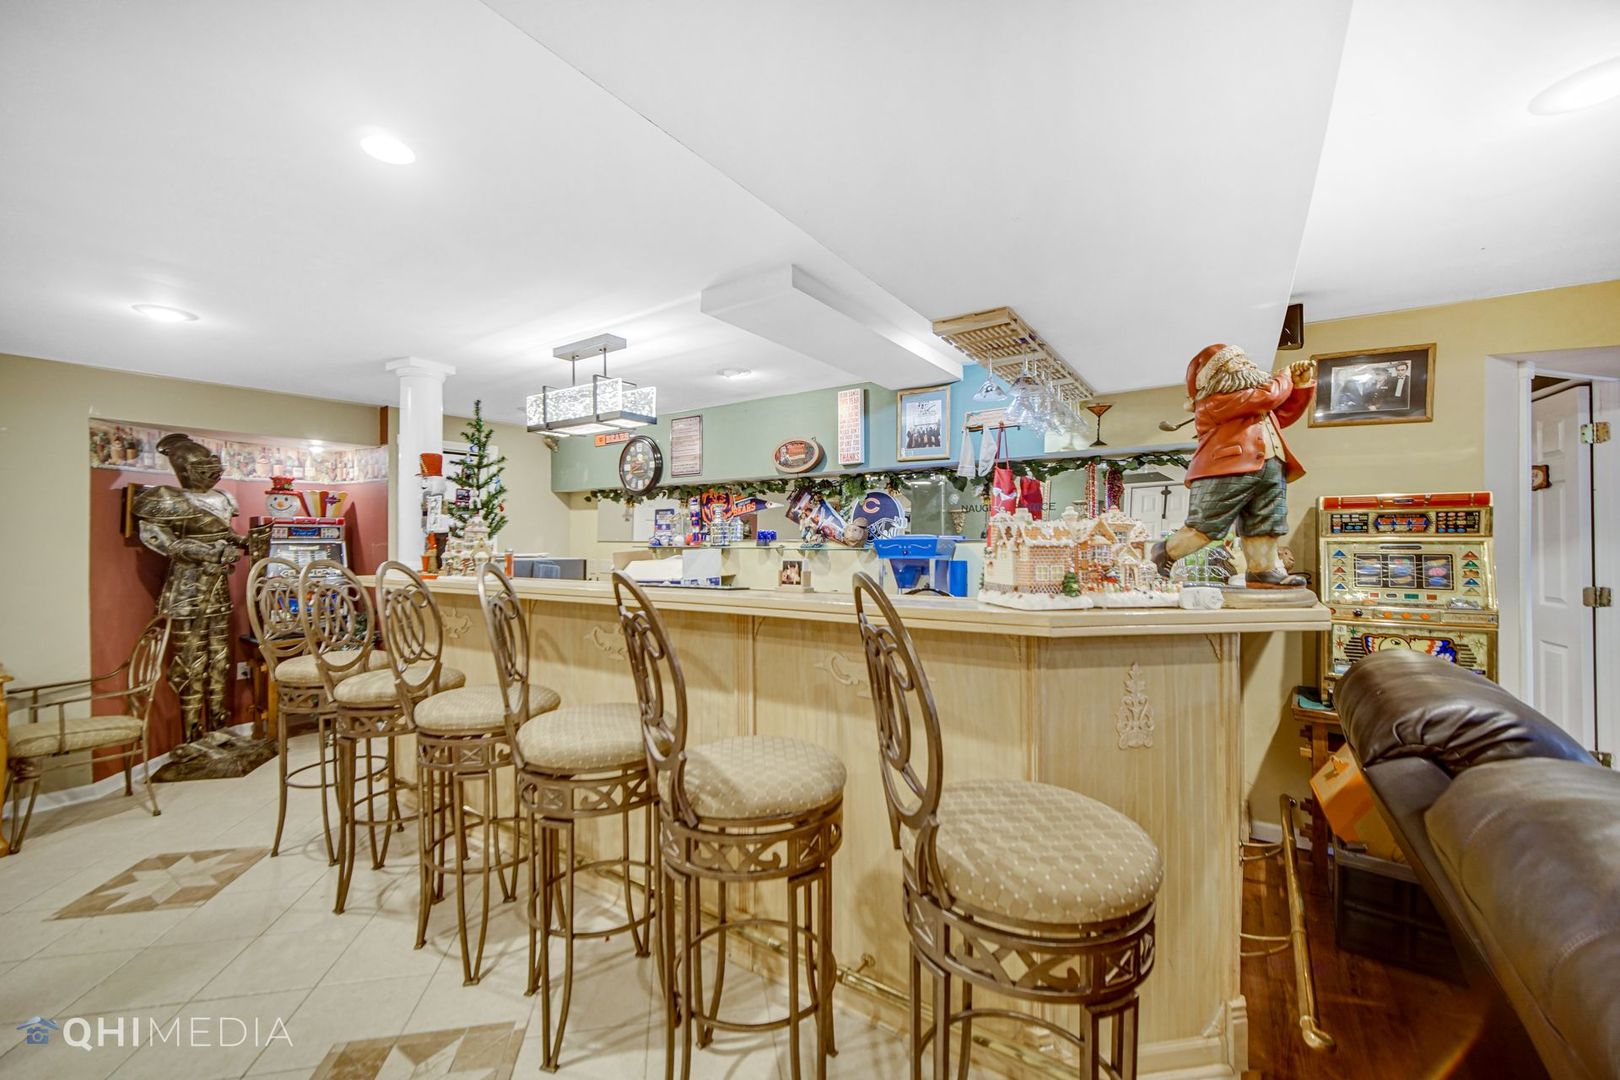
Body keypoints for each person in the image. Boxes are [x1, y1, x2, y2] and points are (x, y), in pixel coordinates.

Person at [1150, 343, 1314, 588]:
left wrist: (1300, 386)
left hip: (1270, 467)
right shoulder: (1216, 400)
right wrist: (1285, 375)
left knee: (1265, 523)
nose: (1246, 366)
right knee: (1205, 527)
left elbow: (1284, 414)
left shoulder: (1255, 404)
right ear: (1216, 375)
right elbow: (1269, 396)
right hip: (1226, 468)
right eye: (1236, 363)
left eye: (1245, 361)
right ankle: (1164, 554)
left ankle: (1263, 571)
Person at [133, 433, 249, 738]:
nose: (211, 472)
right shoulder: (165, 498)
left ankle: (218, 727)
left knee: (220, 659)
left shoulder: (222, 498)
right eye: (202, 466)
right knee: (190, 662)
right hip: (186, 589)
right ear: (184, 468)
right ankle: (192, 736)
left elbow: (228, 534)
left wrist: (245, 542)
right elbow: (164, 543)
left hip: (218, 587)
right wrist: (205, 552)